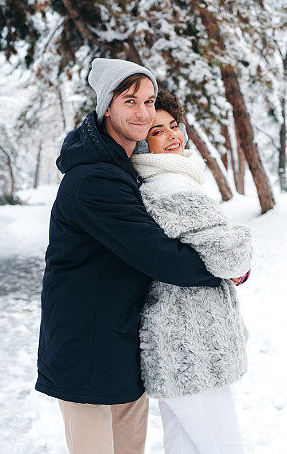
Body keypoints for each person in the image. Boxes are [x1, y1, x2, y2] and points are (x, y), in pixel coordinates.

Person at [35, 58, 224, 454]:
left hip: (121, 342)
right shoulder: (94, 179)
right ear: (107, 106)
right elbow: (154, 252)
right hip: (84, 346)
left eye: (150, 101)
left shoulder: (127, 168)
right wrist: (223, 270)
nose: (143, 112)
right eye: (130, 101)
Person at [130, 89, 252, 453]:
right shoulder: (170, 185)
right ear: (140, 144)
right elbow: (230, 257)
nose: (171, 136)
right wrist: (242, 244)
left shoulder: (156, 183)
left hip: (175, 347)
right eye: (156, 131)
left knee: (183, 447)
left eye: (173, 126)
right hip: (194, 349)